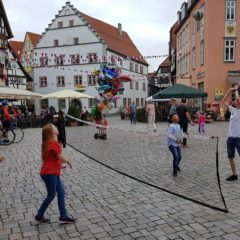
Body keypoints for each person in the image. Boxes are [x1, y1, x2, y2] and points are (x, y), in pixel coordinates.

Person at [35, 123, 76, 224]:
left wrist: (61, 165)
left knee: (61, 192)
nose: (56, 127)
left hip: (51, 173)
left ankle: (63, 216)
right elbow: (59, 156)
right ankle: (39, 215)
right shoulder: (54, 143)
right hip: (50, 174)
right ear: (52, 132)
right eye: (54, 127)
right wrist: (68, 161)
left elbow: (51, 159)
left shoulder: (48, 143)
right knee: (51, 195)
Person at [221, 86, 240, 181]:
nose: (235, 101)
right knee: (230, 156)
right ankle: (234, 174)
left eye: (236, 101)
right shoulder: (233, 110)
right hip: (230, 138)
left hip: (239, 138)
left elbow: (238, 99)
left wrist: (236, 90)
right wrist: (229, 90)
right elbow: (223, 101)